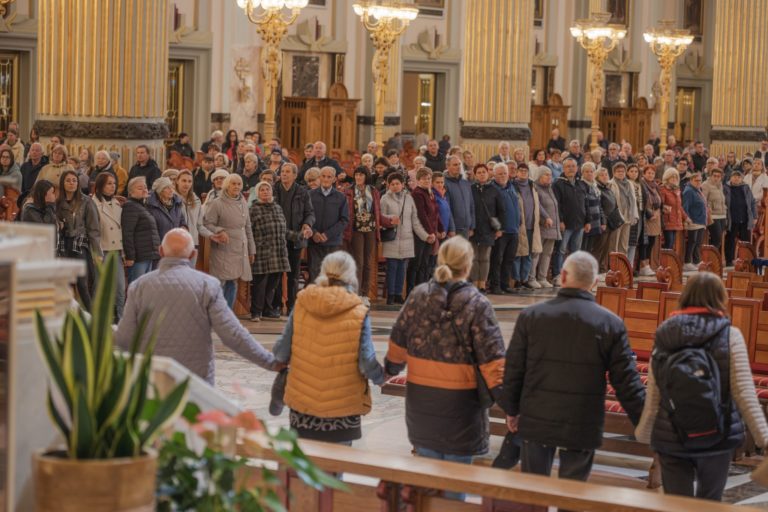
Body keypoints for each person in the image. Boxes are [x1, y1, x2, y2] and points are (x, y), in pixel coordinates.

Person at [500, 251, 645, 482]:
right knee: (573, 495)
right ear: (594, 282)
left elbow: (514, 370)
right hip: (582, 422)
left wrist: (511, 409)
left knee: (534, 492)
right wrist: (644, 422)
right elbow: (626, 382)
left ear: (564, 276)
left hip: (537, 417)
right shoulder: (610, 323)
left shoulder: (532, 316)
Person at [384, 236, 504, 500]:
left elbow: (397, 347)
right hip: (461, 408)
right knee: (454, 491)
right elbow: (493, 363)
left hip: (422, 403)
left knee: (426, 485)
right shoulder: (477, 304)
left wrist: (389, 370)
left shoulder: (418, 296)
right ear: (468, 265)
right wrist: (510, 406)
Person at [635, 272, 768, 501]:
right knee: (709, 503)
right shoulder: (730, 335)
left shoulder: (665, 333)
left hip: (672, 433)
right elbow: (744, 393)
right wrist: (764, 438)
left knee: (677, 504)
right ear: (720, 298)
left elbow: (655, 390)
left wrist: (645, 430)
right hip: (718, 432)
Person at [115, 228, 281, 385]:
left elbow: (124, 338)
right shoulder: (207, 285)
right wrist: (270, 362)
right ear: (193, 254)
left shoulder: (139, 286)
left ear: (161, 252)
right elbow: (232, 334)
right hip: (197, 382)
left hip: (152, 380)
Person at [273, 250, 384, 445]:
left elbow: (281, 351)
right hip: (343, 408)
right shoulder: (358, 310)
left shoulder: (302, 302)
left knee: (305, 470)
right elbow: (366, 362)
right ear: (351, 276)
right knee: (334, 471)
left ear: (323, 272)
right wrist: (382, 377)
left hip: (304, 406)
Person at [204, 173, 256, 309]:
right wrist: (220, 231)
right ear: (227, 185)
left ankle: (227, 314)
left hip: (240, 247)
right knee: (220, 281)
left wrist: (252, 250)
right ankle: (214, 312)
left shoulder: (243, 202)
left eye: (239, 184)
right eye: (233, 183)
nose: (237, 186)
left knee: (233, 281)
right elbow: (208, 223)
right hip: (223, 247)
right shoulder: (217, 203)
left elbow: (248, 227)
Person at [380, 173, 429, 304]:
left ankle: (397, 294)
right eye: (392, 184)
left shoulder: (409, 198)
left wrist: (425, 236)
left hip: (407, 238)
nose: (395, 186)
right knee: (392, 267)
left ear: (402, 185)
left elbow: (415, 221)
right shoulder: (384, 198)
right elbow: (381, 217)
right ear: (388, 185)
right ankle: (390, 295)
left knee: (402, 268)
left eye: (397, 184)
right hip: (392, 237)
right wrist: (390, 219)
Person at [56, 170, 102, 310]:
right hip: (62, 245)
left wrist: (97, 253)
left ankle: (91, 316)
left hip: (80, 244)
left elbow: (94, 229)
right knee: (63, 283)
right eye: (68, 180)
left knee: (83, 284)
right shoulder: (57, 202)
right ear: (62, 183)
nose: (71, 183)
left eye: (74, 180)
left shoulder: (86, 201)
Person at [247, 181, 291, 322]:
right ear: (258, 193)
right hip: (262, 250)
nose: (265, 192)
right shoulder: (253, 209)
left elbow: (283, 228)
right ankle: (256, 312)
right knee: (260, 283)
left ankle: (267, 309)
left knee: (273, 282)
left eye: (268, 189)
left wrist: (298, 235)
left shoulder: (277, 207)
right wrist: (252, 250)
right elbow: (249, 231)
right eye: (262, 190)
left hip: (278, 250)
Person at [343, 166, 382, 302]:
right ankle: (356, 292)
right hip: (356, 229)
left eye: (361, 175)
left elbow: (377, 211)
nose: (358, 177)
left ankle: (365, 294)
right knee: (358, 261)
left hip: (370, 228)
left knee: (368, 262)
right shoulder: (348, 191)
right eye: (356, 175)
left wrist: (388, 220)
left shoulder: (374, 191)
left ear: (366, 176)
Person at [91, 172, 125, 320]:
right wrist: (96, 252)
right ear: (100, 186)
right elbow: (93, 231)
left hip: (117, 251)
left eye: (114, 183)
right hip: (102, 250)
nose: (113, 186)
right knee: (100, 288)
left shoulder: (118, 203)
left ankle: (120, 319)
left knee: (120, 288)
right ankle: (97, 319)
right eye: (108, 183)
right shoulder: (93, 204)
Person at [307, 166, 348, 283]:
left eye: (329, 177)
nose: (325, 179)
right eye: (323, 176)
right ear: (319, 178)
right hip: (314, 241)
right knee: (314, 271)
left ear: (334, 179)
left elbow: (344, 220)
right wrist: (314, 233)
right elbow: (304, 216)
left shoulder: (341, 197)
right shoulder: (310, 195)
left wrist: (327, 234)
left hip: (332, 241)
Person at [552, 158, 586, 285]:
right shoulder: (557, 184)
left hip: (580, 223)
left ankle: (573, 275)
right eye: (568, 166)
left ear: (577, 168)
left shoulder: (581, 183)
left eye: (573, 166)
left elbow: (585, 203)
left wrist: (587, 221)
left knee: (576, 252)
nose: (571, 169)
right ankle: (558, 275)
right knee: (560, 250)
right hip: (565, 223)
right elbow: (557, 205)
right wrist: (560, 220)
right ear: (563, 168)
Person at [469, 164, 503, 291]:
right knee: (474, 257)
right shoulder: (471, 188)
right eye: (479, 172)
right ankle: (474, 282)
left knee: (484, 257)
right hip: (474, 227)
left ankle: (482, 283)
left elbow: (501, 210)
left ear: (488, 174)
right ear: (475, 174)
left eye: (484, 172)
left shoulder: (494, 190)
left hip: (489, 228)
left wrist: (499, 228)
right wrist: (469, 226)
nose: (482, 174)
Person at [121, 177, 161, 283]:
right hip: (138, 257)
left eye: (145, 187)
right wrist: (130, 256)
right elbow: (127, 233)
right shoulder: (130, 206)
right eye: (140, 188)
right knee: (136, 289)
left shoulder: (142, 206)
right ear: (131, 192)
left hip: (148, 254)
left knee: (144, 289)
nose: (144, 190)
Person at [489, 163, 520, 294]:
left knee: (509, 259)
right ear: (494, 175)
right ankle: (495, 285)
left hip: (513, 230)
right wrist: (497, 228)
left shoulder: (511, 187)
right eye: (500, 173)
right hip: (501, 232)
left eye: (505, 173)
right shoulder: (491, 189)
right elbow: (490, 212)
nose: (503, 176)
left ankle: (505, 284)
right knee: (497, 260)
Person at [175, 169, 212, 266]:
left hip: (193, 244)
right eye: (183, 180)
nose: (186, 184)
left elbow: (199, 226)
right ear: (177, 181)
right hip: (177, 244)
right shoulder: (172, 199)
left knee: (190, 276)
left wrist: (212, 235)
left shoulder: (196, 201)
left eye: (189, 181)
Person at [531, 167, 559, 288]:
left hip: (552, 227)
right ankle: (531, 278)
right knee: (536, 252)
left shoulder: (550, 188)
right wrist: (546, 217)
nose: (549, 177)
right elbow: (538, 205)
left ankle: (542, 278)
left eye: (550, 174)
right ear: (539, 176)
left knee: (547, 253)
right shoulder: (535, 188)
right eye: (546, 175)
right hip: (542, 225)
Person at [725, 171, 755, 267]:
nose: (736, 178)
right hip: (732, 218)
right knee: (730, 240)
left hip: (745, 218)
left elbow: (752, 202)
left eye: (738, 177)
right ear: (731, 178)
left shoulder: (746, 187)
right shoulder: (725, 187)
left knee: (745, 241)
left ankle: (745, 260)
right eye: (734, 176)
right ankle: (729, 261)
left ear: (741, 179)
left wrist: (754, 216)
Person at [608, 162, 638, 256]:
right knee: (614, 244)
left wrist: (634, 215)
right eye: (618, 171)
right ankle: (613, 267)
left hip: (628, 216)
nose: (620, 173)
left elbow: (633, 200)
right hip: (617, 217)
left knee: (624, 244)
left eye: (622, 171)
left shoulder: (629, 183)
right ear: (614, 172)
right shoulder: (610, 184)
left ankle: (622, 266)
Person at [638, 165, 662, 276]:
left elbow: (659, 200)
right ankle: (643, 266)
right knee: (645, 242)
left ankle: (648, 265)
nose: (651, 175)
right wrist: (650, 214)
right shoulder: (642, 184)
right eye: (648, 173)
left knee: (651, 241)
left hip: (656, 217)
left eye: (652, 173)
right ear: (644, 174)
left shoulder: (655, 185)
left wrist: (661, 208)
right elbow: (643, 201)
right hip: (647, 217)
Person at [443, 155, 474, 238]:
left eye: (459, 164)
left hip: (466, 228)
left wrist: (472, 226)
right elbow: (447, 208)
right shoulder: (444, 183)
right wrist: (451, 228)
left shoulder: (465, 183)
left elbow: (471, 205)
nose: (458, 167)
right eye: (455, 165)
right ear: (447, 166)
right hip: (454, 230)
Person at [147, 177, 187, 241]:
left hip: (175, 243)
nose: (171, 190)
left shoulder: (177, 203)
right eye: (167, 188)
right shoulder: (150, 206)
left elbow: (182, 220)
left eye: (171, 187)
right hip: (158, 245)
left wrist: (183, 228)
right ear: (160, 190)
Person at [682, 172, 707, 271]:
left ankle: (696, 261)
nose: (698, 182)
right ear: (691, 181)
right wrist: (687, 218)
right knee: (692, 242)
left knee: (698, 242)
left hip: (700, 220)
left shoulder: (698, 190)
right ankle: (687, 262)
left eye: (700, 180)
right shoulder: (688, 191)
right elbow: (685, 206)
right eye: (696, 180)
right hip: (693, 220)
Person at [660, 168, 687, 250]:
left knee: (672, 244)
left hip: (676, 220)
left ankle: (669, 262)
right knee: (668, 244)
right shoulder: (663, 189)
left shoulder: (677, 189)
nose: (674, 179)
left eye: (676, 177)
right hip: (667, 221)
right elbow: (660, 204)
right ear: (667, 178)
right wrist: (665, 207)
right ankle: (665, 262)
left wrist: (686, 217)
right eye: (672, 177)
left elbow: (679, 206)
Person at [579, 162, 602, 254]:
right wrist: (586, 221)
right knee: (583, 248)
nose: (589, 173)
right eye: (586, 171)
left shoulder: (595, 186)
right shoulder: (581, 185)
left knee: (590, 248)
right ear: (582, 173)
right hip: (586, 222)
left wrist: (602, 221)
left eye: (591, 171)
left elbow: (599, 205)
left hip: (595, 221)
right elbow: (583, 205)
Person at [702, 168, 727, 251]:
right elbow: (703, 199)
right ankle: (710, 258)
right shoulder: (706, 185)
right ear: (711, 176)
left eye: (718, 176)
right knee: (717, 239)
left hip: (722, 215)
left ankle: (713, 259)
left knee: (718, 240)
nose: (716, 178)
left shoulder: (720, 185)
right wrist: (709, 209)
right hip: (712, 216)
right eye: (714, 176)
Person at [625, 164, 644, 267]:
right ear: (627, 172)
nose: (634, 173)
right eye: (631, 171)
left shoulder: (640, 184)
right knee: (627, 241)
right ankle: (625, 266)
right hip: (629, 214)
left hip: (639, 214)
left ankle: (630, 265)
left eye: (636, 171)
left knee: (634, 242)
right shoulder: (626, 183)